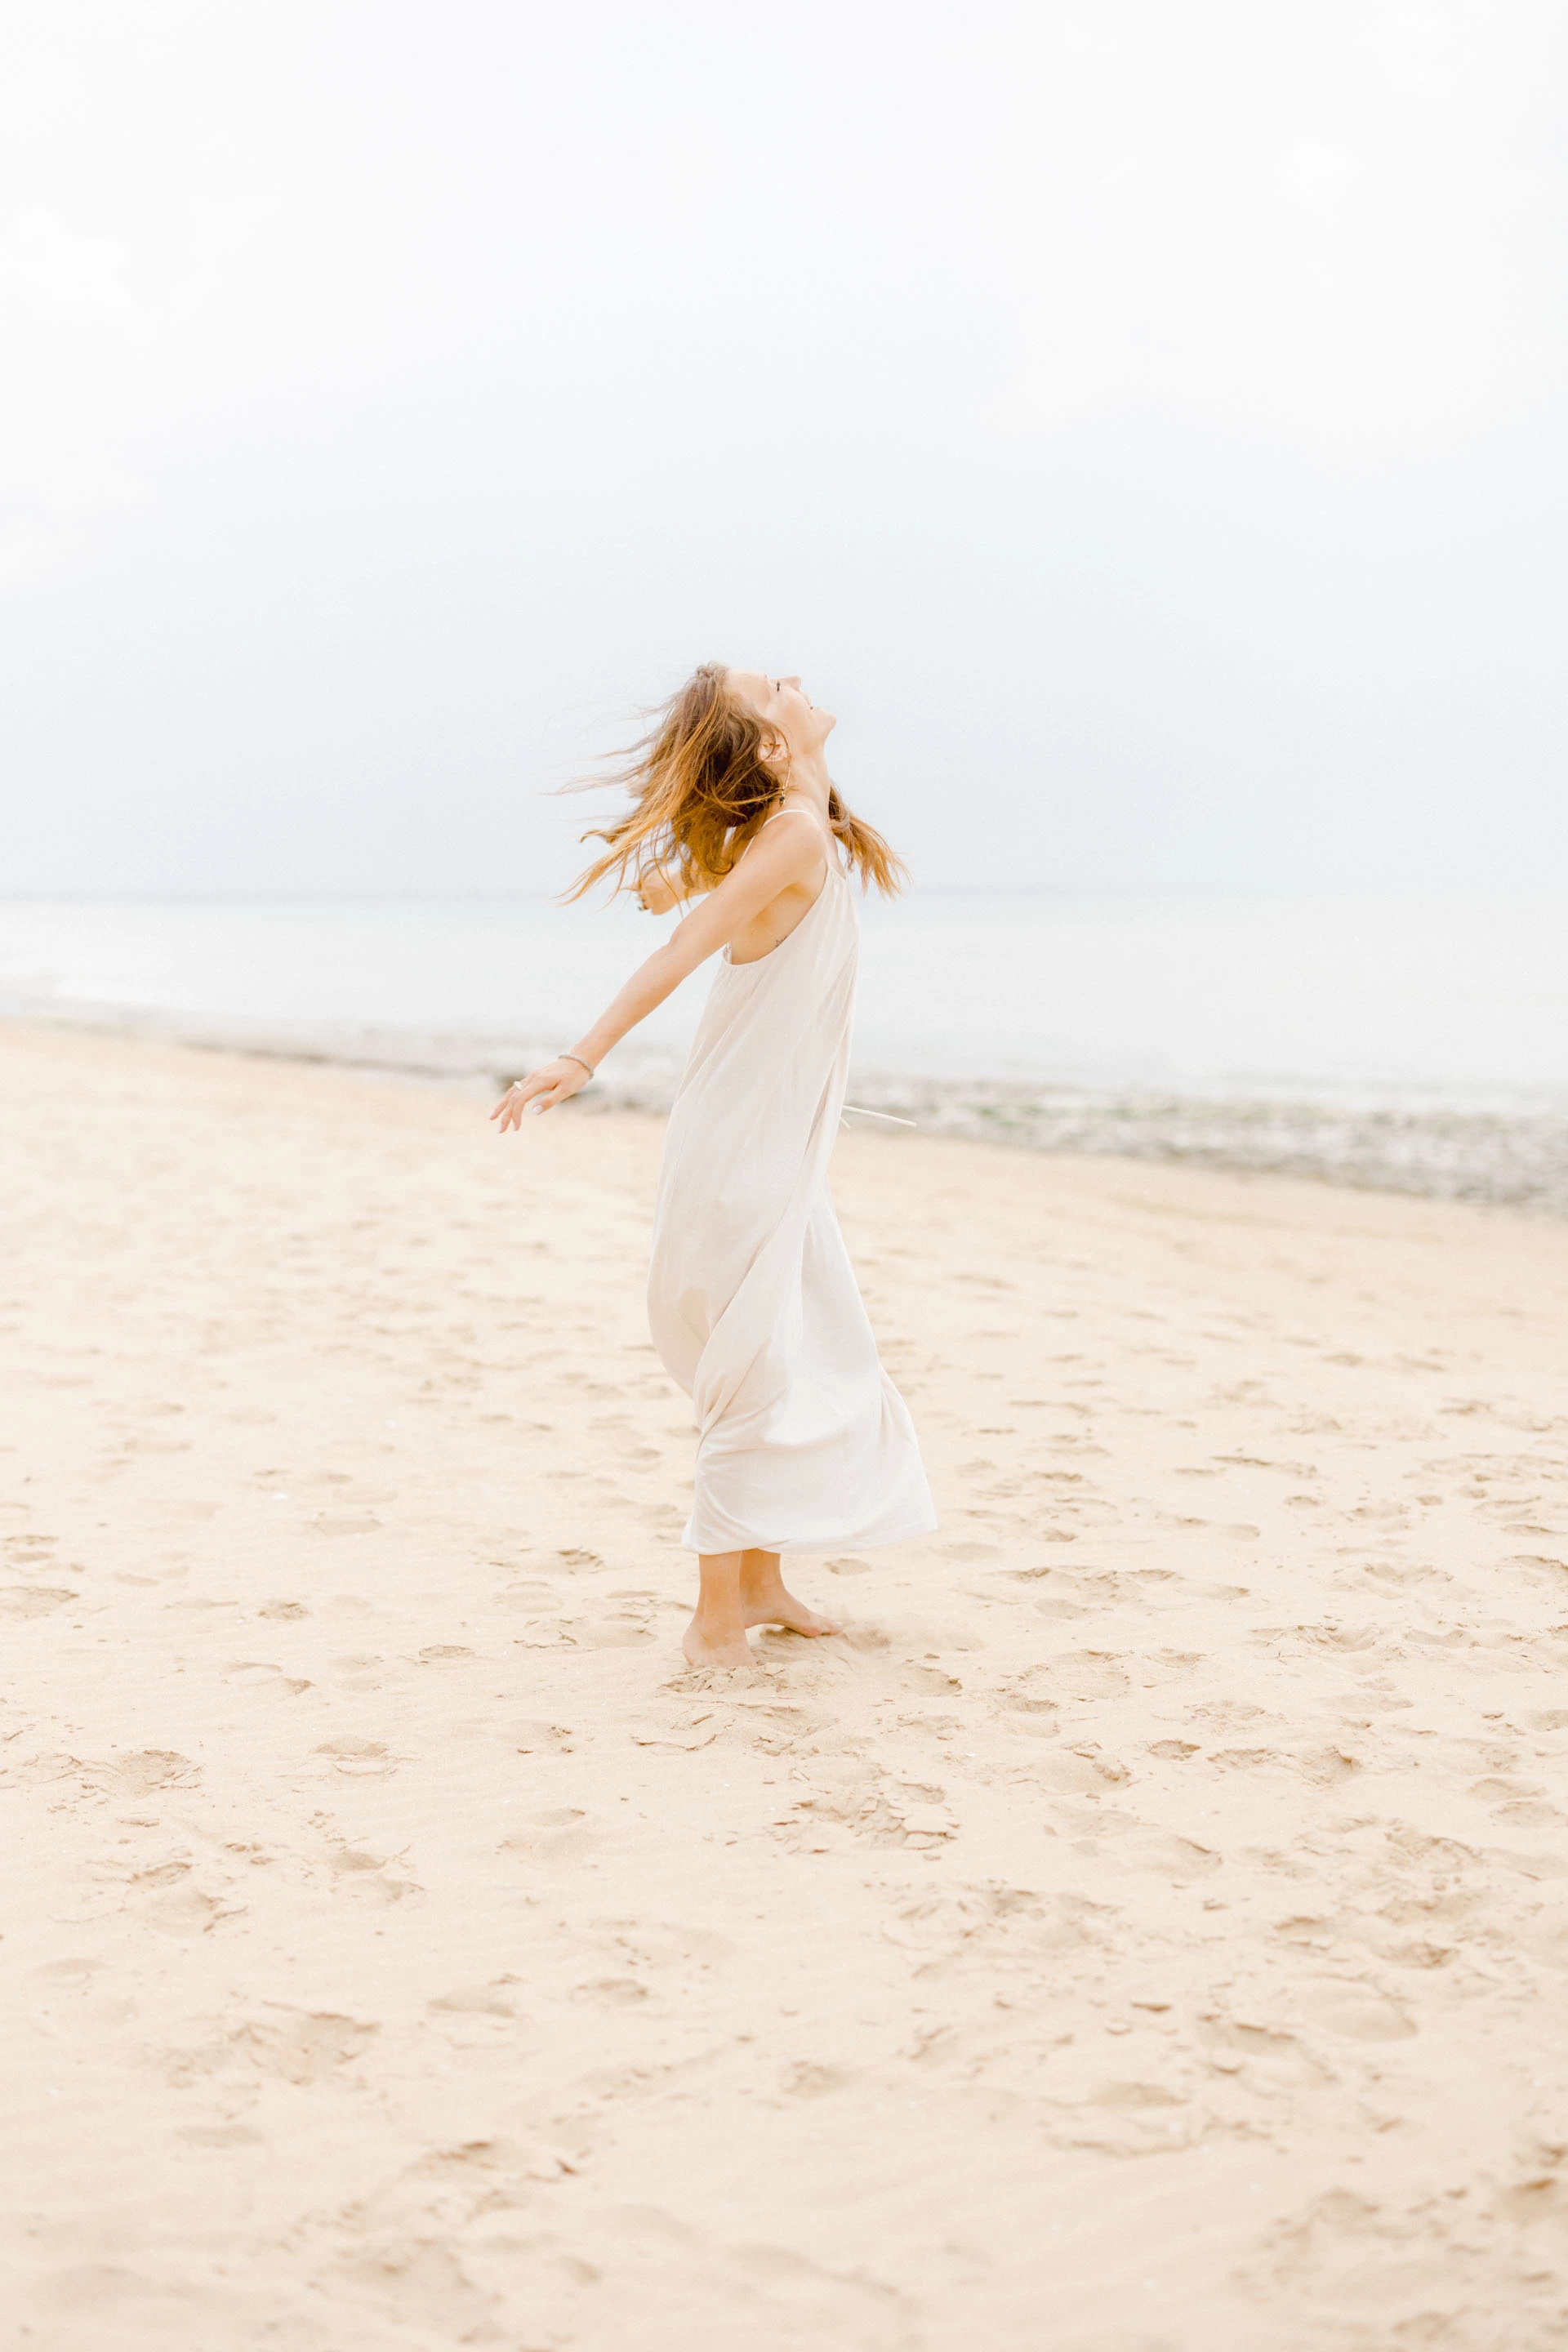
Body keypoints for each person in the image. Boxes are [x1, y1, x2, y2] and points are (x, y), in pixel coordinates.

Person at [492, 664, 936, 1668]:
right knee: (751, 1370)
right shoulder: (791, 836)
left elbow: (712, 884)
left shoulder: (791, 827)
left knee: (791, 1350)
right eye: (772, 686)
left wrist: (683, 873)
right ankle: (712, 1620)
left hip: (772, 1139)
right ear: (771, 743)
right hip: (743, 1144)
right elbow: (684, 946)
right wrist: (581, 1059)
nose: (795, 680)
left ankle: (763, 1582)